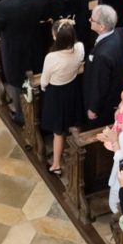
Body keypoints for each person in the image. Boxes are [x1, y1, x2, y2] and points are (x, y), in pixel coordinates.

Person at [0, 0, 49, 125]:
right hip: (36, 43)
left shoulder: (4, 6)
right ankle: (39, 112)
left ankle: (21, 115)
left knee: (16, 81)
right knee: (37, 76)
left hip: (13, 50)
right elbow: (45, 14)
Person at [40, 21, 84, 175]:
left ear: (56, 38)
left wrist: (43, 87)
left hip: (56, 93)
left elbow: (44, 81)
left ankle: (56, 164)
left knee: (58, 131)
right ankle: (74, 150)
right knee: (74, 122)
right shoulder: (79, 48)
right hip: (72, 89)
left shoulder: (52, 57)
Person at [83, 5, 123, 128]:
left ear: (102, 27)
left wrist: (93, 108)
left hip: (104, 105)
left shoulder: (102, 56)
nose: (89, 20)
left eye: (92, 19)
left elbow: (100, 84)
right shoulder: (119, 33)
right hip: (116, 93)